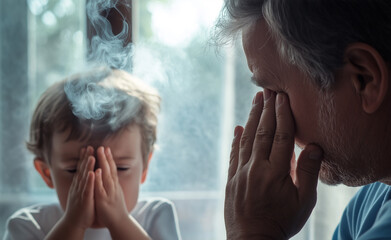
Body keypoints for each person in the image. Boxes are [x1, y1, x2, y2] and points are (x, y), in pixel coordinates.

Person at [214, 0, 391, 239]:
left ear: (364, 79)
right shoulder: (368, 207)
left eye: (278, 94)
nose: (273, 123)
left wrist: (254, 231)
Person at [3, 68, 181, 240]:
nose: (97, 183)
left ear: (145, 168)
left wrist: (120, 222)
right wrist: (73, 225)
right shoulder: (28, 226)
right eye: (75, 170)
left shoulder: (156, 216)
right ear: (46, 173)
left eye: (120, 167)